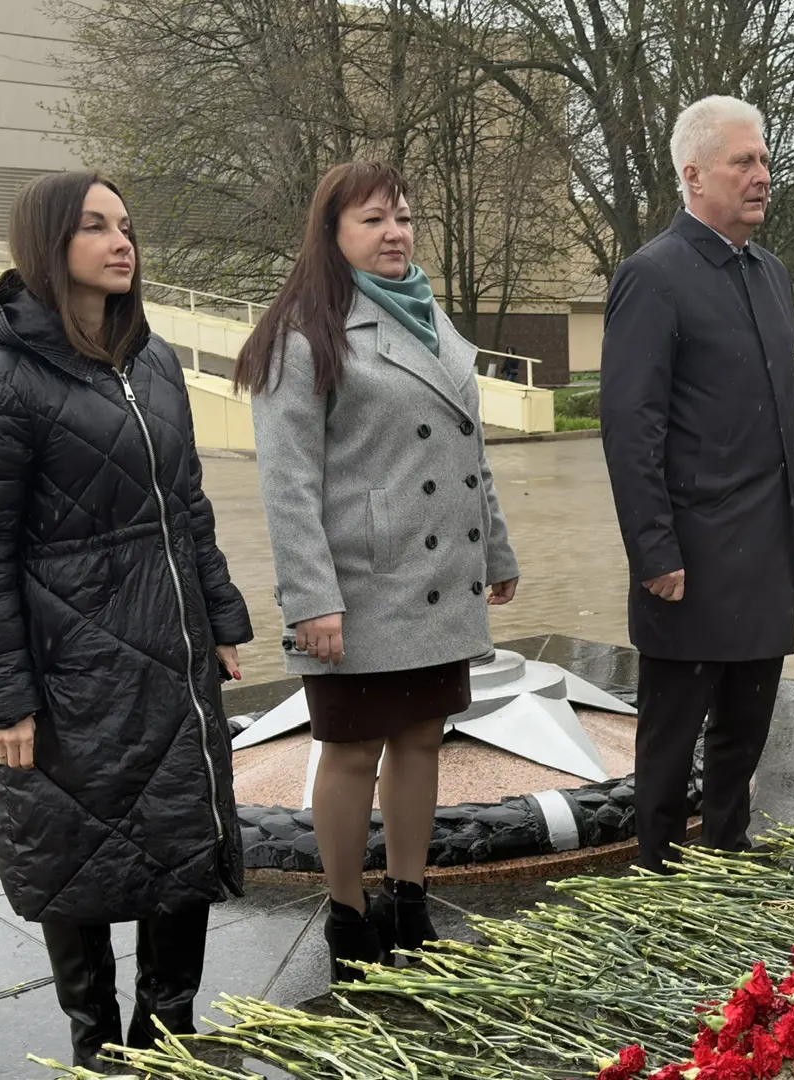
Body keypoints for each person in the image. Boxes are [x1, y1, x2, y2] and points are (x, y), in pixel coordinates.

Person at [0, 171, 253, 1070]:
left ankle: (170, 1033)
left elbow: (184, 502)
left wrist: (222, 613)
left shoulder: (152, 362)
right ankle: (96, 1046)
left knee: (180, 839)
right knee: (72, 851)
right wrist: (4, 700)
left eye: (126, 226)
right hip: (71, 668)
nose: (123, 242)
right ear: (48, 244)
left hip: (172, 648)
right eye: (95, 227)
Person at [235, 162, 519, 980]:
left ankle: (409, 895)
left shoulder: (433, 319)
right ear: (332, 235)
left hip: (436, 577)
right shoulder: (304, 333)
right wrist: (311, 600)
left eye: (402, 217)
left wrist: (495, 547)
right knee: (352, 750)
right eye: (372, 220)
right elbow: (287, 484)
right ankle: (348, 913)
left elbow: (470, 453)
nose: (395, 232)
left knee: (423, 740)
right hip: (360, 586)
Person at [601, 96, 794, 872]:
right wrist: (654, 550)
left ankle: (728, 847)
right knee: (674, 728)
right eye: (743, 162)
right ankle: (658, 868)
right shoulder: (653, 277)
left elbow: (782, 407)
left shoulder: (770, 275)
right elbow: (631, 429)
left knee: (747, 718)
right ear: (694, 175)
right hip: (689, 551)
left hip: (765, 544)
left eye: (763, 160)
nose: (762, 176)